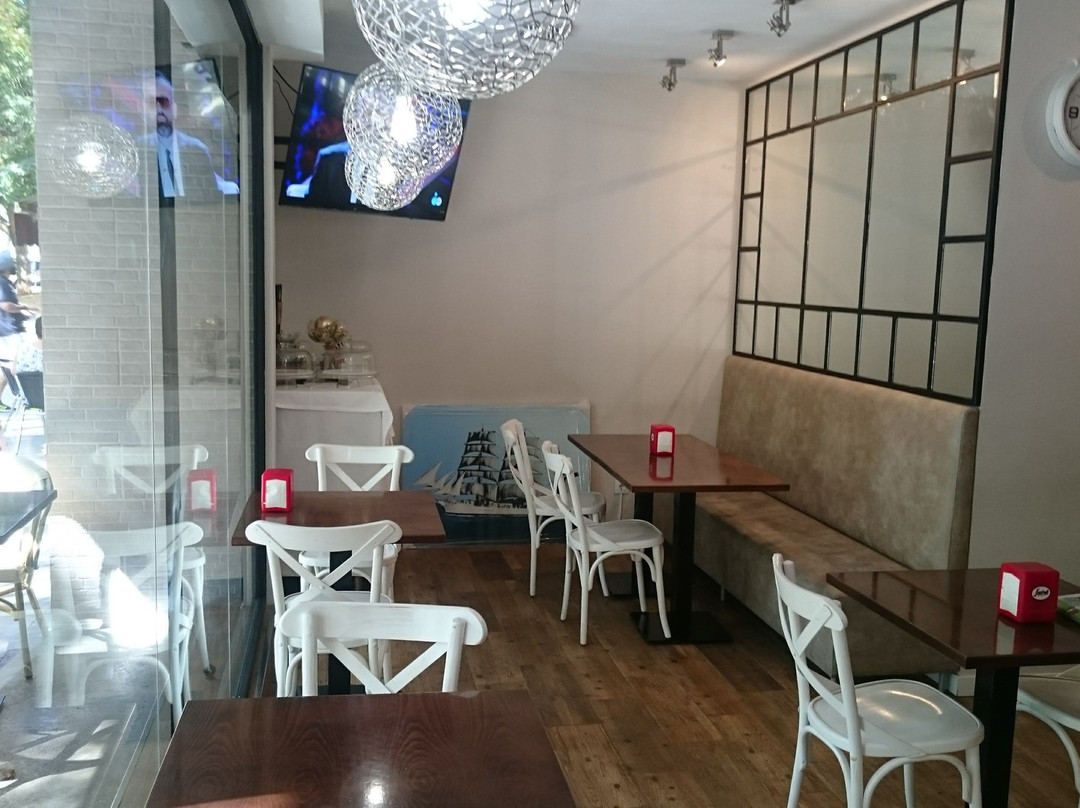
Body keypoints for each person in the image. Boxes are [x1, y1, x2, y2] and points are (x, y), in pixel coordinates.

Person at [140, 70, 239, 200]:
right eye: (151, 103)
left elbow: (210, 195)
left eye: (163, 102)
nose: (159, 109)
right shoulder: (137, 151)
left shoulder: (197, 149)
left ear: (174, 109)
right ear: (143, 109)